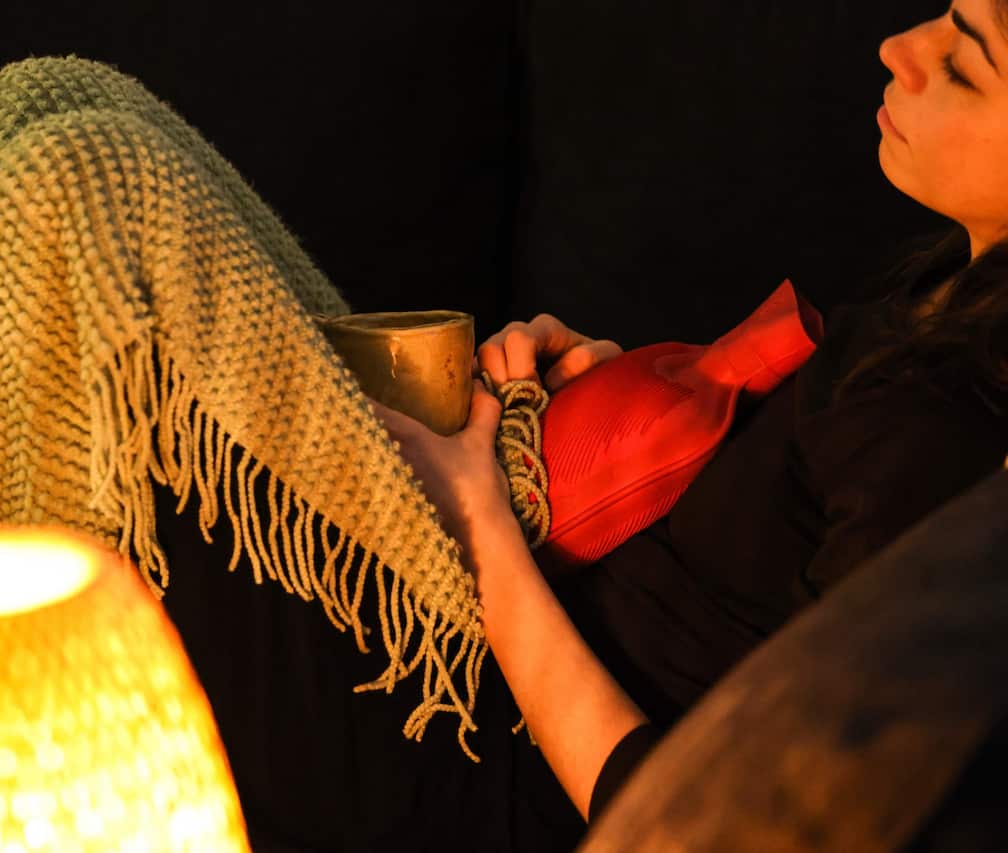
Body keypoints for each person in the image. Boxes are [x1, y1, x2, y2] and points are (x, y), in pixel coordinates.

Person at [161, 1, 1007, 848]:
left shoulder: (949, 431)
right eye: (941, 15)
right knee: (80, 132)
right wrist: (609, 404)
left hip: (468, 747)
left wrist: (477, 518)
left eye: (966, 65)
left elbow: (716, 824)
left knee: (82, 182)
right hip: (471, 643)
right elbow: (748, 559)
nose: (900, 48)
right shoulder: (942, 309)